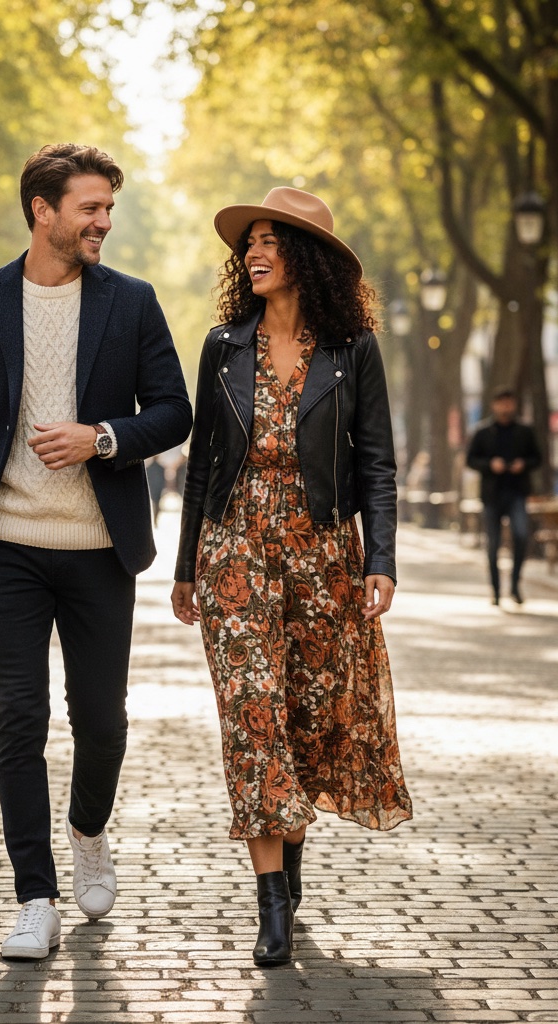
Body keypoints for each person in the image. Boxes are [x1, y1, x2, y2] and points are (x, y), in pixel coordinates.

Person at [0, 143, 192, 960]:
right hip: (6, 547)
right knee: (18, 722)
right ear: (43, 209)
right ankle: (34, 896)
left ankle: (89, 830)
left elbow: (172, 411)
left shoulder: (132, 303)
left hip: (101, 546)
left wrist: (102, 437)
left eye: (109, 208)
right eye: (91, 208)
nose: (104, 221)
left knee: (101, 724)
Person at [170, 188, 413, 967]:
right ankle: (270, 903)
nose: (255, 252)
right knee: (252, 715)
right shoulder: (222, 346)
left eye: (272, 240)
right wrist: (185, 567)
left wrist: (381, 560)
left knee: (307, 719)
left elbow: (377, 461)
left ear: (305, 259)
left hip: (321, 554)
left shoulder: (353, 351)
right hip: (235, 546)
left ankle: (291, 870)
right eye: (251, 242)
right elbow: (203, 462)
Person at [466, 388, 542, 605]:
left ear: (514, 405)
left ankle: (515, 584)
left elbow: (537, 458)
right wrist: (490, 465)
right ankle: (496, 591)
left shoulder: (525, 431)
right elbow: (471, 460)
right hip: (492, 495)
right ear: (494, 405)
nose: (506, 407)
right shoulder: (483, 432)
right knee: (493, 545)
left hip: (517, 493)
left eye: (509, 402)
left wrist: (523, 464)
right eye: (502, 402)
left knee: (520, 536)